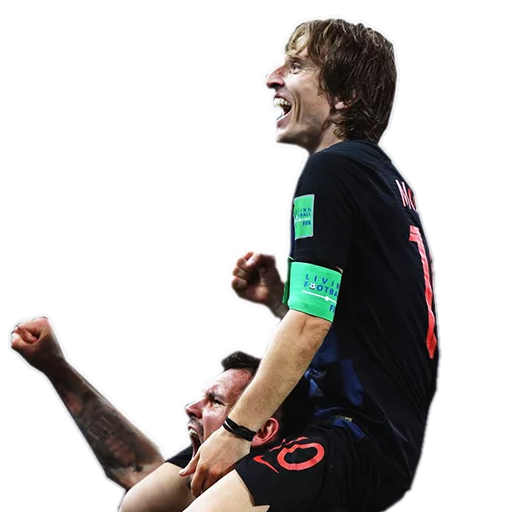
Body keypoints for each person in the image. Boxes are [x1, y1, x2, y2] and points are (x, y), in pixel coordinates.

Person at [170, 15, 440, 512]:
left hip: (353, 433)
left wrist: (236, 430)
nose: (272, 77)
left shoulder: (331, 170)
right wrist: (281, 297)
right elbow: (368, 325)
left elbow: (311, 322)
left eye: (295, 66)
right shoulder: (384, 180)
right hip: (373, 431)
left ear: (344, 96)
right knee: (147, 501)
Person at [9, 315, 310, 512]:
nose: (191, 407)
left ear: (261, 430)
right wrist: (55, 366)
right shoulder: (209, 487)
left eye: (215, 401)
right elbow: (139, 470)